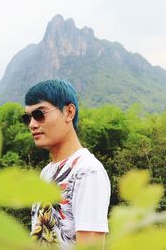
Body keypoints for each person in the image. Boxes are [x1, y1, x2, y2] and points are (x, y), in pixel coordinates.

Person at [23, 79, 111, 249]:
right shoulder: (46, 172)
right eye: (27, 118)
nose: (32, 124)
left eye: (40, 114)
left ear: (69, 112)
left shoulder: (87, 171)